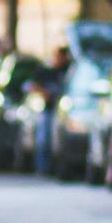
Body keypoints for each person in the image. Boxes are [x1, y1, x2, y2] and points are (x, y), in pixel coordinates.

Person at [34, 45, 71, 176]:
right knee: (44, 140)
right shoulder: (47, 71)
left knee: (57, 141)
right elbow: (35, 85)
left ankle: (55, 168)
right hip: (48, 109)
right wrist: (44, 93)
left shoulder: (68, 71)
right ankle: (43, 168)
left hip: (62, 111)